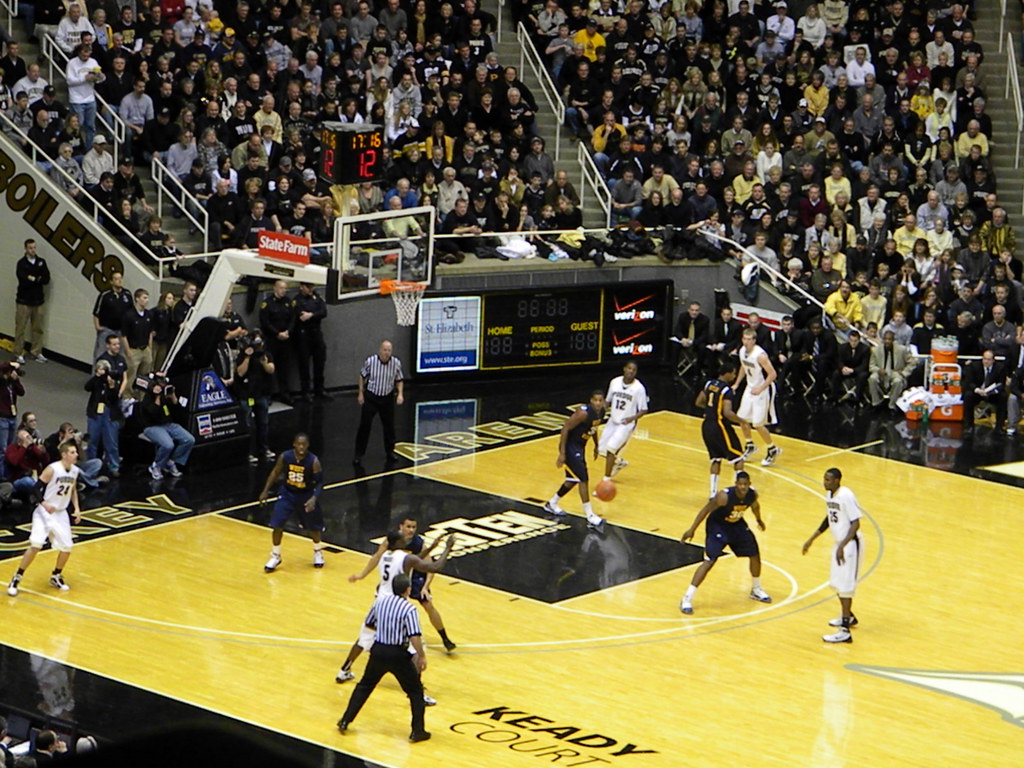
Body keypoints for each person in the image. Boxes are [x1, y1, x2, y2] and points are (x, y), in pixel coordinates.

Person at [337, 526, 457, 685]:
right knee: (415, 647)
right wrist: (447, 548)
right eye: (402, 538)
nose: (406, 539)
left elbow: (412, 562)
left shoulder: (386, 555)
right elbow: (434, 567)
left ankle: (343, 670)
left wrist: (432, 547)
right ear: (397, 543)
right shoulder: (406, 558)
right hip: (396, 607)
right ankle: (417, 689)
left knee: (364, 639)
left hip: (379, 603)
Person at [337, 574, 432, 742]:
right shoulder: (409, 609)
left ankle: (345, 720)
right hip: (398, 654)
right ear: (407, 590)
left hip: (378, 651)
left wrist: (386, 627)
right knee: (415, 691)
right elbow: (414, 636)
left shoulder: (380, 602)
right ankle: (418, 731)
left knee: (364, 686)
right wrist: (422, 656)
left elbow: (369, 623)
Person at [679, 471, 772, 615]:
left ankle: (756, 589)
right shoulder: (724, 496)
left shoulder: (752, 495)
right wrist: (692, 529)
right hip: (718, 526)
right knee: (709, 561)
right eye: (740, 484)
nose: (743, 487)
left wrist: (759, 520)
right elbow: (706, 509)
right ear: (736, 484)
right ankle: (687, 597)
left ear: (749, 484)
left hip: (736, 525)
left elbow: (755, 506)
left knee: (754, 554)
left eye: (745, 484)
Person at [6, 440, 81, 597]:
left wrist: (77, 509)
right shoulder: (53, 469)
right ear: (64, 454)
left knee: (67, 547)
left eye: (76, 452)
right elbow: (35, 488)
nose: (76, 455)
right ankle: (16, 577)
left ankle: (56, 575)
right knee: (36, 545)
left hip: (60, 513)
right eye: (73, 452)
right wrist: (44, 503)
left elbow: (73, 490)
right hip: (44, 512)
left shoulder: (74, 470)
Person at [802, 468, 864, 643]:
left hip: (850, 544)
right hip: (840, 544)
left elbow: (855, 523)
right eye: (824, 479)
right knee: (836, 583)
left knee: (845, 586)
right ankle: (848, 616)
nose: (825, 482)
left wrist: (843, 545)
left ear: (837, 480)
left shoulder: (846, 495)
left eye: (828, 480)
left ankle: (845, 631)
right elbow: (828, 519)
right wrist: (811, 539)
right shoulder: (830, 495)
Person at [258, 433, 325, 572]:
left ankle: (318, 551)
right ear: (294, 444)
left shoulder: (313, 461)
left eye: (304, 444)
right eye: (299, 444)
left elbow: (319, 483)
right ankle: (276, 555)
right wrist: (265, 491)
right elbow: (275, 473)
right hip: (287, 494)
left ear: (308, 445)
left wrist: (313, 498)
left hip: (305, 495)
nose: (301, 447)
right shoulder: (285, 457)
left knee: (313, 527)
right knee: (277, 524)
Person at [543, 389, 607, 528]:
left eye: (600, 400)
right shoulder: (583, 413)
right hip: (571, 447)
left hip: (580, 447)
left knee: (572, 480)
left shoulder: (602, 411)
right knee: (583, 479)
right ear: (591, 401)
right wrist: (562, 453)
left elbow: (594, 428)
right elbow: (565, 428)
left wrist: (596, 445)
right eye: (595, 400)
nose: (597, 403)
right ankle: (590, 515)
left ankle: (551, 503)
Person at [698, 358, 747, 499]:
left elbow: (698, 401)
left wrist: (710, 410)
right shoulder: (726, 390)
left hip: (706, 425)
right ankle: (739, 491)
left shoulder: (709, 384)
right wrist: (742, 422)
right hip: (720, 426)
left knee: (715, 459)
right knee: (738, 458)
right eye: (733, 374)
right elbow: (727, 413)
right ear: (728, 373)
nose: (734, 377)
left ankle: (713, 493)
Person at [353, 340, 405, 466]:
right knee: (365, 426)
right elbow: (362, 376)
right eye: (385, 350)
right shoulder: (371, 361)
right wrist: (361, 393)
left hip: (387, 397)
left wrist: (400, 394)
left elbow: (399, 379)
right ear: (380, 350)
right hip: (372, 397)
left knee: (389, 427)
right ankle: (358, 454)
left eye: (389, 350)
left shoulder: (396, 363)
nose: (387, 353)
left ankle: (390, 452)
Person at [735, 328, 781, 466]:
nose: (746, 342)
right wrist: (737, 384)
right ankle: (750, 445)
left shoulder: (760, 355)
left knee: (758, 424)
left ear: (754, 340)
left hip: (763, 388)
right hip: (750, 387)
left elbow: (772, 374)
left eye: (749, 339)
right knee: (742, 419)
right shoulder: (742, 351)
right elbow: (743, 367)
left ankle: (772, 449)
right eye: (744, 339)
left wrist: (760, 388)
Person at [598, 360, 648, 481]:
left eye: (634, 370)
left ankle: (606, 480)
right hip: (613, 420)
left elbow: (644, 410)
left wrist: (631, 418)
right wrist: (599, 411)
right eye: (629, 368)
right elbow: (608, 401)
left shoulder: (639, 388)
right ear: (624, 369)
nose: (631, 371)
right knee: (601, 450)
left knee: (610, 449)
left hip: (626, 424)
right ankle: (618, 462)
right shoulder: (614, 382)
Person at [138, 374, 195, 480]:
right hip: (152, 427)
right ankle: (156, 466)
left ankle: (171, 462)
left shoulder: (165, 395)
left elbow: (178, 409)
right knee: (168, 445)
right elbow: (154, 412)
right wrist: (157, 397)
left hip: (168, 424)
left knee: (189, 439)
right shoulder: (147, 398)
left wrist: (173, 397)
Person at [235, 329, 275, 464]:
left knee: (263, 423)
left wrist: (264, 362)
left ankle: (264, 449)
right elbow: (240, 373)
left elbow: (271, 369)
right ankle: (248, 452)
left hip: (262, 394)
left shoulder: (266, 354)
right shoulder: (243, 355)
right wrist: (247, 357)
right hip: (247, 394)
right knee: (247, 425)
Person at [292, 283, 332, 402]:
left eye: (311, 287)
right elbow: (301, 316)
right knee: (304, 365)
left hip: (316, 334)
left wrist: (311, 315)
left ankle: (319, 389)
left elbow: (323, 312)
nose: (310, 290)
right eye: (307, 287)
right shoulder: (297, 300)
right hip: (303, 336)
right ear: (301, 287)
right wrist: (312, 315)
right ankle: (306, 392)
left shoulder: (317, 298)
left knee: (319, 363)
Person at [259, 280, 296, 406]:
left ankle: (284, 393)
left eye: (285, 288)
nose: (283, 291)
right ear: (275, 288)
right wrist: (276, 333)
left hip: (285, 340)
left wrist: (287, 332)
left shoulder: (288, 302)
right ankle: (268, 394)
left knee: (284, 368)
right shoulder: (267, 304)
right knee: (269, 368)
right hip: (272, 340)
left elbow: (293, 319)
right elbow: (265, 322)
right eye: (281, 288)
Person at [14, 239, 50, 364]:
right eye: (30, 248)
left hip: (38, 300)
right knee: (20, 328)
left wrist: (33, 278)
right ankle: (18, 353)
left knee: (38, 328)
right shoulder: (21, 264)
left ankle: (36, 351)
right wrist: (35, 279)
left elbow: (46, 279)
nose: (33, 250)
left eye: (34, 247)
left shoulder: (41, 262)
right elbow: (23, 280)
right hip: (23, 301)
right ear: (25, 248)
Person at [84, 358, 122, 478]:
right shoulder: (96, 381)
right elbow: (87, 387)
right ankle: (92, 465)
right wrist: (96, 377)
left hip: (109, 413)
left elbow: (115, 399)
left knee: (111, 442)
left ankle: (114, 466)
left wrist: (111, 387)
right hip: (95, 412)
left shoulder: (113, 380)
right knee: (92, 440)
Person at [91, 270, 132, 361]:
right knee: (101, 354)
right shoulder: (105, 295)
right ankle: (97, 375)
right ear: (111, 282)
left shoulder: (127, 294)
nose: (119, 281)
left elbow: (131, 313)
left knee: (119, 355)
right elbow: (96, 312)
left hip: (121, 331)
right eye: (116, 279)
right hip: (107, 330)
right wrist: (97, 327)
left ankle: (115, 374)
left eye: (120, 278)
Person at [0, 362, 25, 480]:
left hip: (12, 417)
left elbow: (22, 392)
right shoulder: (1, 381)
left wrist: (16, 380)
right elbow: (2, 367)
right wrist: (11, 364)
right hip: (2, 418)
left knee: (11, 448)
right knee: (3, 449)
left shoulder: (12, 383)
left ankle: (9, 473)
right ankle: (2, 476)